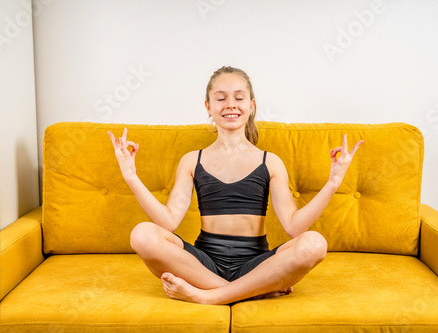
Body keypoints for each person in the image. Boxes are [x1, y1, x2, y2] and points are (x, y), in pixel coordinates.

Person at [108, 66, 363, 305]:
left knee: (315, 243)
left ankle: (208, 297)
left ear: (251, 106)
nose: (230, 104)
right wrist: (131, 175)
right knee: (142, 234)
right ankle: (250, 292)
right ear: (208, 107)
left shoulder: (270, 162)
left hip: (256, 264)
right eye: (221, 98)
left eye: (239, 97)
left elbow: (295, 227)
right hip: (203, 264)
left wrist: (333, 182)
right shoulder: (191, 161)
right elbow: (168, 222)